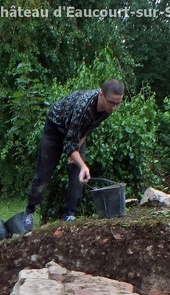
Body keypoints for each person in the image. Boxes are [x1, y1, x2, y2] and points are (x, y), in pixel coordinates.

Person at [23, 78, 124, 232]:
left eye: (118, 103)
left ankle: (69, 215)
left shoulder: (107, 108)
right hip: (55, 129)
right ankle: (29, 211)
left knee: (78, 174)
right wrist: (79, 160)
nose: (114, 107)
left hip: (75, 134)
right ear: (101, 95)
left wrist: (76, 151)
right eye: (112, 103)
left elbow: (88, 128)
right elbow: (68, 143)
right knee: (43, 175)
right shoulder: (84, 107)